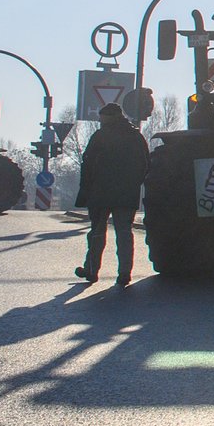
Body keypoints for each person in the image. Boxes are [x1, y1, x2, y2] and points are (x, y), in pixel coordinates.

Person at [75, 102, 148, 287]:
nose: (100, 121)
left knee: (97, 232)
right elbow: (145, 164)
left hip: (100, 192)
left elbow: (88, 165)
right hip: (126, 193)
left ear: (108, 117)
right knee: (124, 232)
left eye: (102, 117)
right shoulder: (135, 137)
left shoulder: (100, 137)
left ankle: (92, 270)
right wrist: (133, 184)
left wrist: (85, 190)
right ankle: (124, 273)